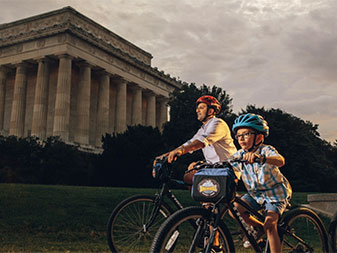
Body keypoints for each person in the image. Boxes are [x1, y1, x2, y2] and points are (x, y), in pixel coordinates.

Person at [230, 113, 292, 253]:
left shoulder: (266, 150)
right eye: (239, 136)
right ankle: (259, 227)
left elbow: (280, 160)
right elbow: (227, 164)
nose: (241, 139)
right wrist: (204, 165)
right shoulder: (240, 154)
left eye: (246, 134)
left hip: (275, 193)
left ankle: (267, 232)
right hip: (255, 194)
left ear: (259, 136)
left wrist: (262, 158)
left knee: (270, 225)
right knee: (234, 209)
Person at [157, 95, 237, 170]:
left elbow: (201, 142)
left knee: (193, 177)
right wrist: (165, 155)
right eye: (197, 108)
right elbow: (189, 143)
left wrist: (181, 150)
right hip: (215, 169)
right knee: (188, 176)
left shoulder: (218, 123)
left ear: (210, 111)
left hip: (229, 169)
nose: (197, 110)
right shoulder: (203, 129)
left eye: (201, 108)